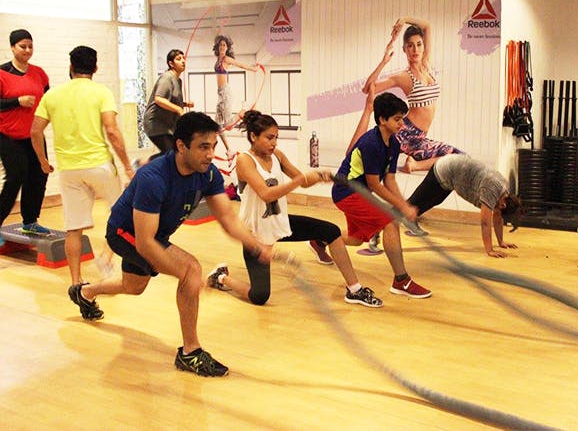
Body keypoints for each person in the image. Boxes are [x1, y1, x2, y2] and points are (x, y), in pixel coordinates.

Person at [67, 112, 270, 377]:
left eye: (213, 147)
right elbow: (145, 241)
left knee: (134, 286)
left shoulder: (207, 175)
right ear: (181, 146)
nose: (210, 154)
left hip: (152, 235)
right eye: (203, 147)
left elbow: (228, 217)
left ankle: (85, 293)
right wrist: (184, 274)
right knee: (191, 268)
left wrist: (256, 246)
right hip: (124, 233)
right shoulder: (154, 178)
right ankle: (190, 352)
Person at [205, 110, 382, 308]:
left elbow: (303, 181)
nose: (274, 143)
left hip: (280, 224)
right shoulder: (244, 160)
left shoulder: (277, 155)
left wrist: (322, 175)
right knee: (260, 296)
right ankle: (221, 278)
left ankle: (355, 289)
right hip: (255, 234)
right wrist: (297, 181)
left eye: (276, 138)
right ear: (253, 136)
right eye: (269, 138)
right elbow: (266, 194)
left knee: (331, 231)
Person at [30, 46, 134, 283]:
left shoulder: (52, 95)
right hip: (99, 166)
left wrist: (43, 162)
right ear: (95, 68)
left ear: (70, 67)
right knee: (123, 215)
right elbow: (112, 130)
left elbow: (35, 130)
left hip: (69, 170)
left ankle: (76, 282)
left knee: (73, 229)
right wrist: (127, 165)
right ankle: (106, 258)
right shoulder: (101, 93)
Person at [332, 90, 431, 298]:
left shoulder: (394, 143)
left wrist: (404, 202)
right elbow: (374, 184)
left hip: (359, 193)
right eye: (397, 119)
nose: (401, 124)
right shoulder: (370, 144)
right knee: (390, 221)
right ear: (382, 120)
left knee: (356, 238)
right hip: (346, 191)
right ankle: (401, 281)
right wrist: (402, 207)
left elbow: (390, 179)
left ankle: (321, 238)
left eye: (402, 119)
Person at [352, 17, 462, 174]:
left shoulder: (427, 66)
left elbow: (427, 25)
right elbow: (367, 88)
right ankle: (413, 164)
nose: (415, 49)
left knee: (458, 157)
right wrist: (384, 62)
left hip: (419, 139)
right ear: (404, 49)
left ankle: (414, 164)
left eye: (419, 44)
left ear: (424, 46)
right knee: (361, 159)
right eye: (410, 46)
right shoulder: (404, 77)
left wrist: (404, 20)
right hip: (404, 133)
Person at [406, 154, 522, 258]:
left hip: (451, 176)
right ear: (503, 205)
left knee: (427, 204)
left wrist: (501, 242)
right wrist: (489, 250)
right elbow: (485, 223)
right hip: (444, 169)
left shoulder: (504, 192)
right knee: (411, 204)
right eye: (499, 211)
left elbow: (497, 217)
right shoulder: (491, 190)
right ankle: (389, 222)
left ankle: (404, 220)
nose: (497, 214)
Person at [0, 29, 51, 244]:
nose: (27, 50)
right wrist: (17, 102)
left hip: (33, 135)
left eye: (30, 46)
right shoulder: (2, 73)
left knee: (40, 173)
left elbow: (49, 101)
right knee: (16, 176)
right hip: (7, 135)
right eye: (23, 46)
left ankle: (30, 221)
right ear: (12, 47)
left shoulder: (39, 73)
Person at [212, 34, 261, 157]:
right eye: (220, 45)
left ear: (227, 48)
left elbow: (240, 65)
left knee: (228, 126)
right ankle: (229, 150)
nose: (222, 47)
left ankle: (241, 113)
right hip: (220, 94)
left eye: (224, 45)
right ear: (217, 47)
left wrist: (253, 69)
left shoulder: (226, 59)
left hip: (225, 94)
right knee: (217, 125)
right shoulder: (218, 59)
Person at [140, 49, 192, 163]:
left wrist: (184, 104)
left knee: (176, 153)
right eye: (179, 59)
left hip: (167, 125)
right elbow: (159, 99)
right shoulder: (167, 77)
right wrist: (178, 109)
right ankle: (142, 163)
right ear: (171, 63)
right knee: (171, 153)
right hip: (155, 123)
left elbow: (171, 100)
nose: (183, 61)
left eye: (184, 58)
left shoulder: (178, 81)